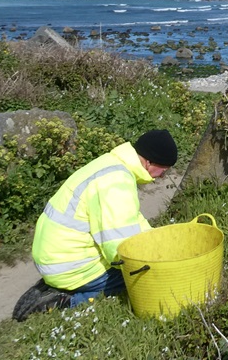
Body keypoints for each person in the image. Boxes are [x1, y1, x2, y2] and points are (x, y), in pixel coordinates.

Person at [13, 129, 178, 321]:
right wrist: (153, 264)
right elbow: (118, 247)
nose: (162, 177)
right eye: (164, 171)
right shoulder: (116, 183)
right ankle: (63, 301)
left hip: (54, 257)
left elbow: (131, 219)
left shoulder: (110, 165)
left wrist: (157, 242)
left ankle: (58, 284)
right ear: (149, 162)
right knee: (138, 279)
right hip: (70, 265)